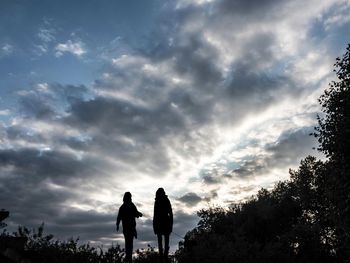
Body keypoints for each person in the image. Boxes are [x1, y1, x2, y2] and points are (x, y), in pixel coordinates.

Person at [116, 192, 143, 262]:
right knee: (129, 244)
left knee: (128, 243)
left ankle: (128, 258)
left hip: (130, 228)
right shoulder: (127, 206)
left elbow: (135, 213)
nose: (130, 198)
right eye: (130, 197)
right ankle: (128, 258)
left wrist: (139, 214)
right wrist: (117, 224)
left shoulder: (125, 206)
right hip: (128, 228)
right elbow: (119, 217)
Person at [153, 188, 173, 262]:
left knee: (163, 241)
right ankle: (163, 257)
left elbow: (170, 213)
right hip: (161, 224)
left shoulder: (163, 201)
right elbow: (155, 215)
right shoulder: (158, 201)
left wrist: (170, 225)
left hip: (164, 224)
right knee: (162, 241)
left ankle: (164, 256)